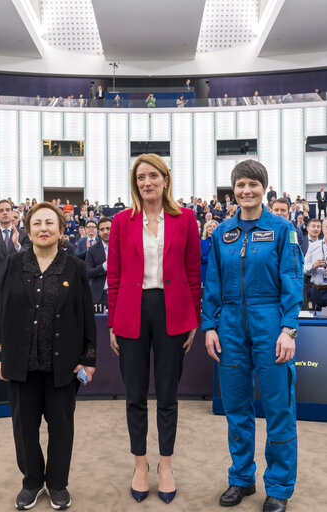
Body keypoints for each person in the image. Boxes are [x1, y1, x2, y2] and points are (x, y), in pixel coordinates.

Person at [202, 160, 302, 512]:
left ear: (265, 188)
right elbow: (211, 283)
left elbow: (292, 280)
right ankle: (241, 478)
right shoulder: (222, 233)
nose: (247, 191)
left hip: (270, 323)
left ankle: (278, 486)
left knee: (278, 408)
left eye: (253, 184)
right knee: (236, 410)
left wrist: (289, 329)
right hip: (229, 325)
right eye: (240, 185)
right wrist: (209, 326)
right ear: (233, 190)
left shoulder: (282, 229)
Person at [108, 153, 201, 504]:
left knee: (167, 395)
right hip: (131, 312)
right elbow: (114, 276)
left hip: (173, 312)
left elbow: (193, 273)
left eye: (153, 176)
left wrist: (192, 320)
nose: (146, 182)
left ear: (165, 179)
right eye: (140, 177)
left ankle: (165, 465)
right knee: (134, 395)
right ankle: (140, 465)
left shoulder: (186, 219)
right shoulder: (121, 221)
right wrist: (114, 322)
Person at [0, 202, 96, 511]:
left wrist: (89, 359)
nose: (43, 228)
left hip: (62, 365)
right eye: (37, 223)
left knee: (62, 427)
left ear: (61, 230)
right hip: (21, 363)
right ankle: (32, 481)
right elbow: (1, 312)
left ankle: (57, 483)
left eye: (50, 223)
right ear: (28, 229)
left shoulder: (75, 267)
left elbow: (86, 317)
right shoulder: (13, 264)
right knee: (23, 428)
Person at [0, 200, 31, 307]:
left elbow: (28, 259)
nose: (5, 213)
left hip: (19, 287)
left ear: (12, 214)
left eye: (8, 210)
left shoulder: (23, 234)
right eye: (1, 211)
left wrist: (17, 245)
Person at [85, 217, 111, 307]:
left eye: (108, 228)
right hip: (99, 295)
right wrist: (104, 266)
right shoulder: (92, 250)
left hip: (120, 294)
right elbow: (88, 272)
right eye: (102, 229)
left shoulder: (122, 248)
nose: (105, 232)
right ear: (98, 232)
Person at [200, 220, 218, 286]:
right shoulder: (201, 241)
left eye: (214, 226)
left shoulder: (220, 241)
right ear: (206, 228)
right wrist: (212, 257)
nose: (212, 228)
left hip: (216, 270)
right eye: (210, 226)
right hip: (205, 270)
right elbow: (199, 258)